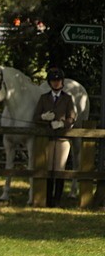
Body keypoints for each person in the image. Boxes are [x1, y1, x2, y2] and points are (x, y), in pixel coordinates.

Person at [36, 67, 76, 207]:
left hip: (62, 138)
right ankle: (47, 198)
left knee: (59, 168)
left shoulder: (67, 98)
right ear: (50, 82)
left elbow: (72, 117)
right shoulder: (43, 98)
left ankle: (57, 199)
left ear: (62, 81)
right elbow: (35, 117)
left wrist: (62, 123)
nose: (56, 83)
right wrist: (43, 117)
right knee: (48, 168)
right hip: (47, 138)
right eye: (54, 80)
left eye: (58, 80)